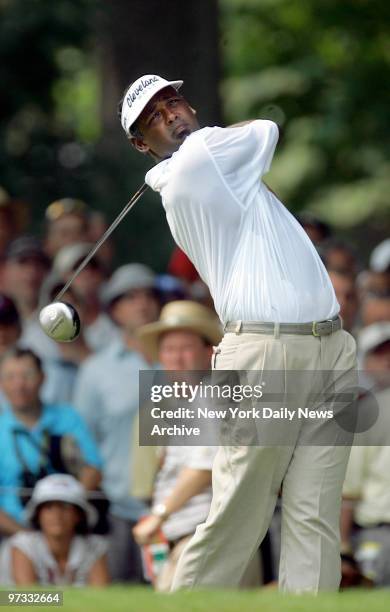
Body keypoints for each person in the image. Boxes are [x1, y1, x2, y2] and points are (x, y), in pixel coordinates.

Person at [118, 74, 357, 593]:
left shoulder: (213, 161)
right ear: (142, 145)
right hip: (263, 350)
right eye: (153, 117)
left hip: (330, 346)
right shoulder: (200, 159)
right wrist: (212, 131)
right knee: (240, 511)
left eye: (173, 101)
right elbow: (268, 126)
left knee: (314, 511)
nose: (171, 115)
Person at [73, 263, 161, 582]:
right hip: (118, 510)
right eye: (131, 297)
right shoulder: (96, 370)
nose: (143, 304)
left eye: (150, 295)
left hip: (180, 505)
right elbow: (84, 443)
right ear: (114, 310)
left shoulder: (182, 359)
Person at [133, 300, 224, 591]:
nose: (176, 359)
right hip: (177, 534)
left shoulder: (211, 397)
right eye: (169, 350)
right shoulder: (172, 405)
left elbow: (203, 468)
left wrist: (158, 515)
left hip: (201, 535)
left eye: (185, 348)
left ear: (209, 353)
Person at [0, 348, 102, 525]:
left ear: (42, 378)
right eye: (10, 377)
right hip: (17, 531)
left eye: (27, 375)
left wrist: (64, 518)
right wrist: (26, 536)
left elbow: (93, 468)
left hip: (70, 525)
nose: (19, 385)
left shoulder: (68, 417)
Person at [6, 474, 109, 586]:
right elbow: (26, 598)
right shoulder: (23, 545)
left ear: (78, 515)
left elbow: (101, 593)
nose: (57, 515)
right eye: (49, 507)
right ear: (38, 515)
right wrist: (65, 600)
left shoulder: (95, 546)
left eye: (65, 507)